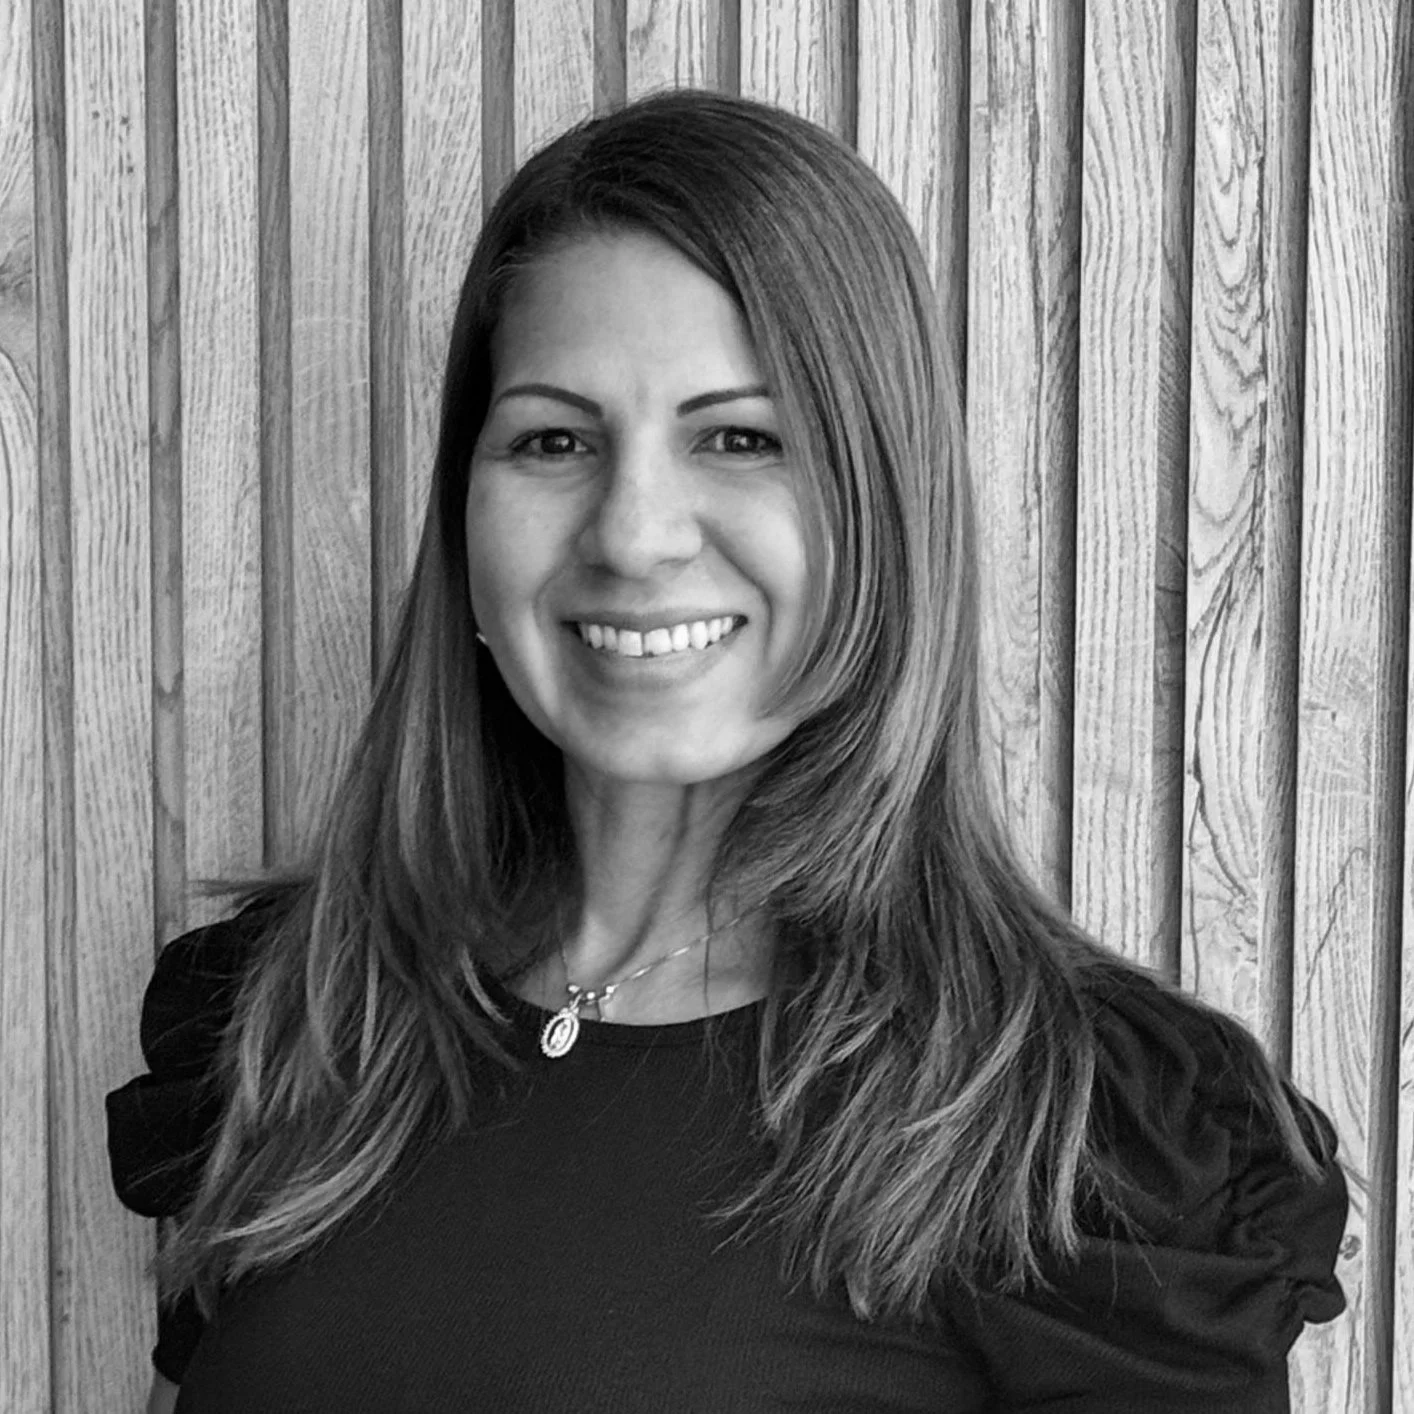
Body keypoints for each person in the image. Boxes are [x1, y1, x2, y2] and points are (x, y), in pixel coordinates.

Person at [107, 86, 1348, 1413]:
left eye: (741, 438)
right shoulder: (296, 1018)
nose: (633, 532)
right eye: (554, 439)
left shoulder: (1089, 1145)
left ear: (882, 514)